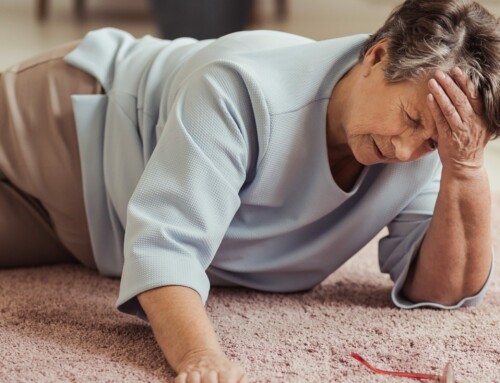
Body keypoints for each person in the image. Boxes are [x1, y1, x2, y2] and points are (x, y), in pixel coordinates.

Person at [0, 0, 498, 381]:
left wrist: (465, 167)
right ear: (376, 55)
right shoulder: (239, 88)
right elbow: (164, 247)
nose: (407, 149)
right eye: (410, 118)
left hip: (93, 232)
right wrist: (201, 357)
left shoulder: (429, 144)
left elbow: (442, 291)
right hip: (60, 129)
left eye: (432, 140)